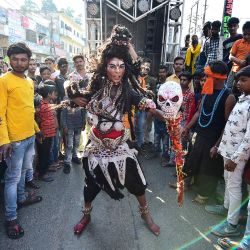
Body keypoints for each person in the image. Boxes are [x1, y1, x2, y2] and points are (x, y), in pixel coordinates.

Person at [71, 25, 160, 236]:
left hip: (120, 145)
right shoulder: (97, 84)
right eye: (113, 66)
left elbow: (141, 96)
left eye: (121, 66)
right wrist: (74, 96)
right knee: (91, 184)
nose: (118, 71)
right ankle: (86, 214)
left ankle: (146, 214)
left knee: (136, 183)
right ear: (105, 66)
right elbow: (80, 97)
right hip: (97, 145)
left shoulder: (128, 88)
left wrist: (155, 108)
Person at [0, 42, 42, 239]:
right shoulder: (4, 81)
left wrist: (36, 129)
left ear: (28, 61)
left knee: (25, 171)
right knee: (12, 178)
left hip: (29, 137)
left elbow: (28, 110)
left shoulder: (28, 81)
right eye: (15, 59)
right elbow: (0, 113)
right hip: (14, 141)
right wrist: (4, 140)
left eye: (23, 59)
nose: (19, 62)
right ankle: (11, 218)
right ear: (9, 60)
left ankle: (22, 198)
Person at [182, 61, 236, 204]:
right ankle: (185, 184)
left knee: (208, 168)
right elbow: (199, 112)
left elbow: (228, 125)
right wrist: (187, 127)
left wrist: (217, 145)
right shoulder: (207, 91)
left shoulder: (229, 97)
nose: (204, 78)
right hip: (200, 133)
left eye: (207, 75)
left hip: (214, 139)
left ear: (217, 78)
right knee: (191, 159)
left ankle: (204, 195)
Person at [206, 65, 250, 237]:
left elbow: (248, 137)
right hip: (227, 150)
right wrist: (219, 146)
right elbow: (231, 126)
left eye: (244, 80)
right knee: (227, 180)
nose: (239, 83)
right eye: (238, 80)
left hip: (237, 155)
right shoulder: (242, 99)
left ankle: (231, 225)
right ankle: (225, 208)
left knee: (233, 185)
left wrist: (236, 158)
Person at [36, 83, 57, 182]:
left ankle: (43, 171)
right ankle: (42, 174)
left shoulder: (45, 104)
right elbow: (38, 118)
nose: (55, 94)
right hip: (45, 135)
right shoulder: (43, 106)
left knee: (46, 153)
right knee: (44, 154)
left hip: (49, 134)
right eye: (54, 93)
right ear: (49, 94)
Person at [134, 58, 156, 150]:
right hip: (133, 106)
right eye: (144, 65)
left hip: (145, 107)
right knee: (134, 126)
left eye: (148, 67)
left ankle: (142, 145)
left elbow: (154, 93)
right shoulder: (134, 78)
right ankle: (134, 144)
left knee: (143, 127)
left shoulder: (152, 80)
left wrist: (149, 93)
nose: (146, 68)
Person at [61, 95, 86, 174]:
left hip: (78, 126)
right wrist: (65, 126)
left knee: (76, 143)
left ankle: (74, 156)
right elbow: (63, 116)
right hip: (69, 127)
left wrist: (83, 123)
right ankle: (67, 162)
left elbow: (83, 113)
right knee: (69, 145)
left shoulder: (80, 102)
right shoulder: (66, 101)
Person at [227, 21, 250, 91]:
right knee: (229, 90)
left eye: (249, 34)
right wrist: (239, 62)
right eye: (244, 34)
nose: (246, 36)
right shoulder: (238, 42)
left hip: (247, 74)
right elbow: (230, 56)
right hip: (234, 71)